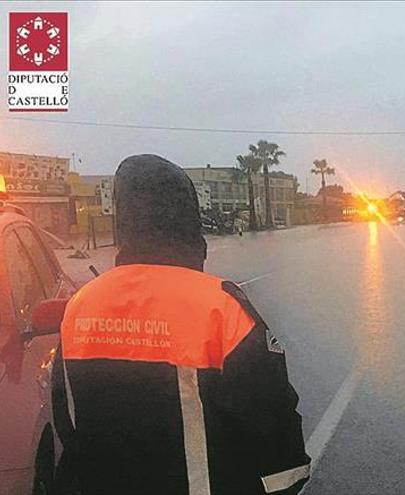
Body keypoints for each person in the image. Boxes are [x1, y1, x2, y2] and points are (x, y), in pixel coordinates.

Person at [53, 155, 310, 495]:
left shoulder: (81, 306)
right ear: (189, 219)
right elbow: (273, 426)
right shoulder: (220, 307)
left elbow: (68, 420)